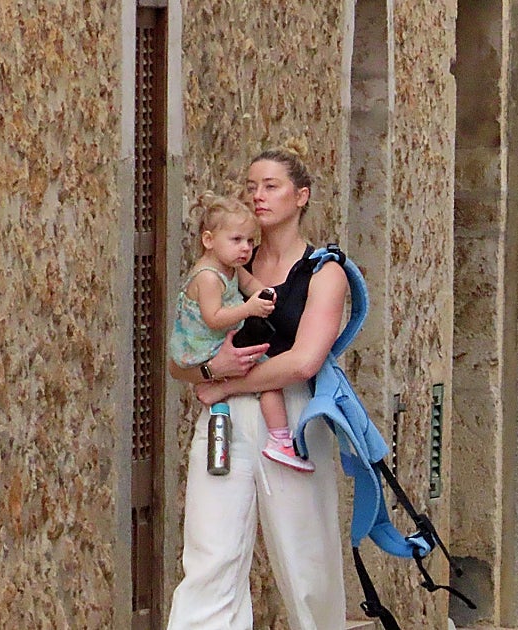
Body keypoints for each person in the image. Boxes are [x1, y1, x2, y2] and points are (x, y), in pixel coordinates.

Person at [166, 139, 348, 629]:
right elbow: (181, 363)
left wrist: (227, 382)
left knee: (305, 559)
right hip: (223, 420)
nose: (259, 196)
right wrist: (211, 372)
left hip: (289, 418)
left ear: (301, 196)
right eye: (252, 187)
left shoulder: (324, 273)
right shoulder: (226, 270)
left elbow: (304, 362)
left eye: (271, 186)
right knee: (211, 551)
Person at [167, 191, 315, 473]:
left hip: (222, 340)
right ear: (208, 240)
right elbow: (214, 318)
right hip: (205, 344)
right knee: (268, 376)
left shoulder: (232, 268)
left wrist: (267, 295)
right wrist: (249, 309)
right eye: (236, 240)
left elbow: (251, 285)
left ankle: (217, 392)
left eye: (250, 241)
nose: (245, 248)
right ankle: (280, 438)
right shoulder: (209, 277)